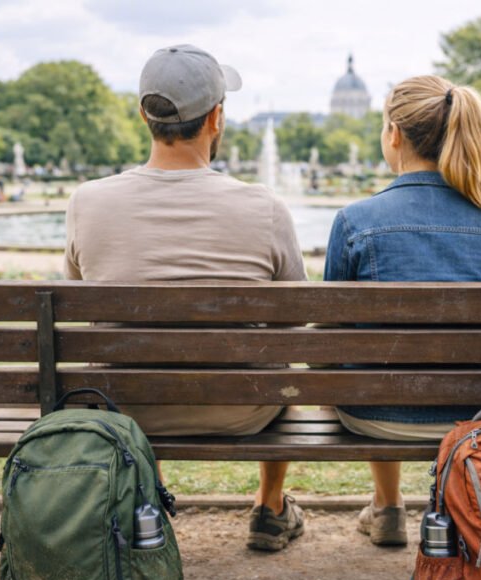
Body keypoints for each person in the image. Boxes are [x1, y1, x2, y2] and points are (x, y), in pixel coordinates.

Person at [64, 45, 308, 552]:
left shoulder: (87, 202)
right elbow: (298, 322)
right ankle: (269, 506)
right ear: (217, 117)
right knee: (279, 371)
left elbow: (76, 302)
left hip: (125, 407)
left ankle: (135, 507)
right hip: (241, 409)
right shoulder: (264, 206)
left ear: (143, 114)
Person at [323, 75, 481, 546]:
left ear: (394, 135)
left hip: (375, 413)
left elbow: (328, 339)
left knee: (374, 366)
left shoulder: (354, 222)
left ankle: (386, 507)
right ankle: (467, 513)